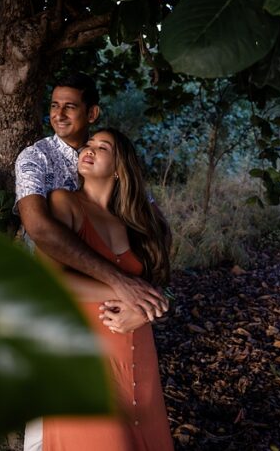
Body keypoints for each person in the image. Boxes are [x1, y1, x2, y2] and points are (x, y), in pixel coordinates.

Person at [15, 73, 169, 451]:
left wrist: (148, 305)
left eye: (70, 106)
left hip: (128, 342)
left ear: (92, 112)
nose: (59, 114)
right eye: (54, 105)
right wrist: (123, 287)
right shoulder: (38, 159)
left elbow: (156, 238)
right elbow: (41, 229)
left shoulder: (122, 195)